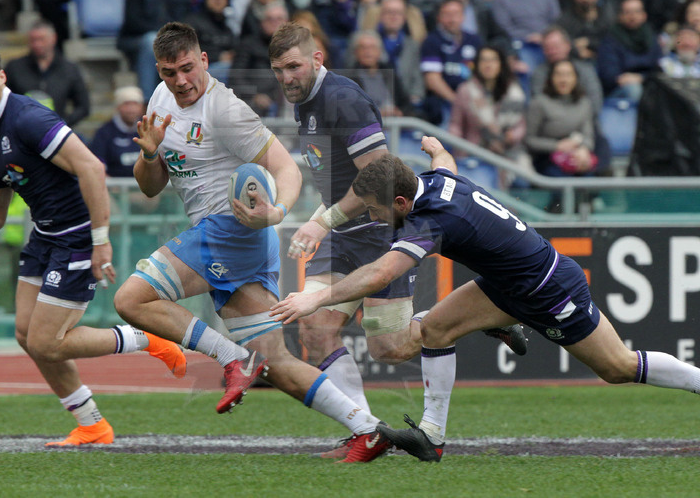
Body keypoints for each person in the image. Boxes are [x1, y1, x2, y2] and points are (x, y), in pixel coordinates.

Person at [271, 140, 700, 463]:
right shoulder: (436, 181)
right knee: (436, 328)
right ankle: (431, 437)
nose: (372, 216)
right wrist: (437, 147)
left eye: (374, 209)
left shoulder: (429, 221)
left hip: (549, 288)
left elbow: (381, 273)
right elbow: (445, 164)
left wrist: (316, 299)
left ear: (401, 201)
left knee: (617, 368)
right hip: (505, 283)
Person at [111, 22, 392, 463]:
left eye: (188, 68)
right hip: (235, 242)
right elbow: (150, 187)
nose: (181, 81)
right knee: (276, 362)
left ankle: (231, 358)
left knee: (131, 298)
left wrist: (276, 212)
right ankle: (369, 429)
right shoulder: (161, 100)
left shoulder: (225, 110)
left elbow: (288, 169)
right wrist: (150, 154)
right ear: (159, 71)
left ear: (203, 60)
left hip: (230, 230)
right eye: (169, 72)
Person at [267, 22, 526, 459]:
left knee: (390, 347)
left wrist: (320, 221)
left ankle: (477, 316)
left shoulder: (343, 100)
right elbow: (336, 178)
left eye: (293, 66)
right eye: (277, 70)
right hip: (341, 233)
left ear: (317, 59)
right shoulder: (305, 101)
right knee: (316, 328)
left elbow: (379, 179)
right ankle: (366, 433)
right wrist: (322, 219)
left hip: (376, 232)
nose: (286, 77)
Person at [0, 45, 187, 447]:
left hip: (76, 237)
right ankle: (92, 424)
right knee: (26, 334)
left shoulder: (28, 117)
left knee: (46, 342)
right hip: (45, 238)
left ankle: (147, 339)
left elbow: (92, 166)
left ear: (1, 77)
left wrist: (100, 241)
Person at [448, 45, 527, 189]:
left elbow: (520, 124)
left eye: (493, 60)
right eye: (483, 60)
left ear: (501, 64)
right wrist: (459, 149)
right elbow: (456, 124)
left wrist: (513, 135)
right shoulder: (465, 90)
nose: (488, 65)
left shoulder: (514, 91)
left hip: (508, 151)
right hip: (475, 152)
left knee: (523, 182)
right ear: (477, 64)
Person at [525, 59, 596, 213]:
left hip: (575, 156)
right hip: (547, 159)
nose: (564, 79)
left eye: (568, 75)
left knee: (590, 181)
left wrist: (583, 149)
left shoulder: (584, 103)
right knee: (562, 185)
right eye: (559, 75)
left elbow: (588, 136)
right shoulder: (539, 103)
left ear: (576, 78)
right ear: (551, 78)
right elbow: (529, 140)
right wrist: (557, 146)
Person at [4, 21, 91, 128]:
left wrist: (62, 124)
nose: (37, 44)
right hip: (20, 130)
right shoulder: (14, 67)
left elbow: (83, 107)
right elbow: (2, 100)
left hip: (56, 134)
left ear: (53, 38)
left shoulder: (69, 69)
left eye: (41, 39)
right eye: (33, 40)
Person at [420, 0, 483, 126]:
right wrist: (458, 102)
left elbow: (483, 73)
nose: (452, 19)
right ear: (439, 17)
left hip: (473, 98)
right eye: (447, 14)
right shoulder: (431, 41)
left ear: (463, 16)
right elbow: (432, 80)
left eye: (456, 14)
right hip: (445, 101)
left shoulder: (474, 40)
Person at [595, 0, 662, 101]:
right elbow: (609, 74)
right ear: (620, 16)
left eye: (636, 11)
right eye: (627, 12)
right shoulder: (611, 39)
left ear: (644, 15)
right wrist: (630, 79)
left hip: (649, 82)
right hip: (620, 89)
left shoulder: (652, 37)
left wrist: (641, 78)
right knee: (634, 89)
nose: (632, 16)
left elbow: (659, 67)